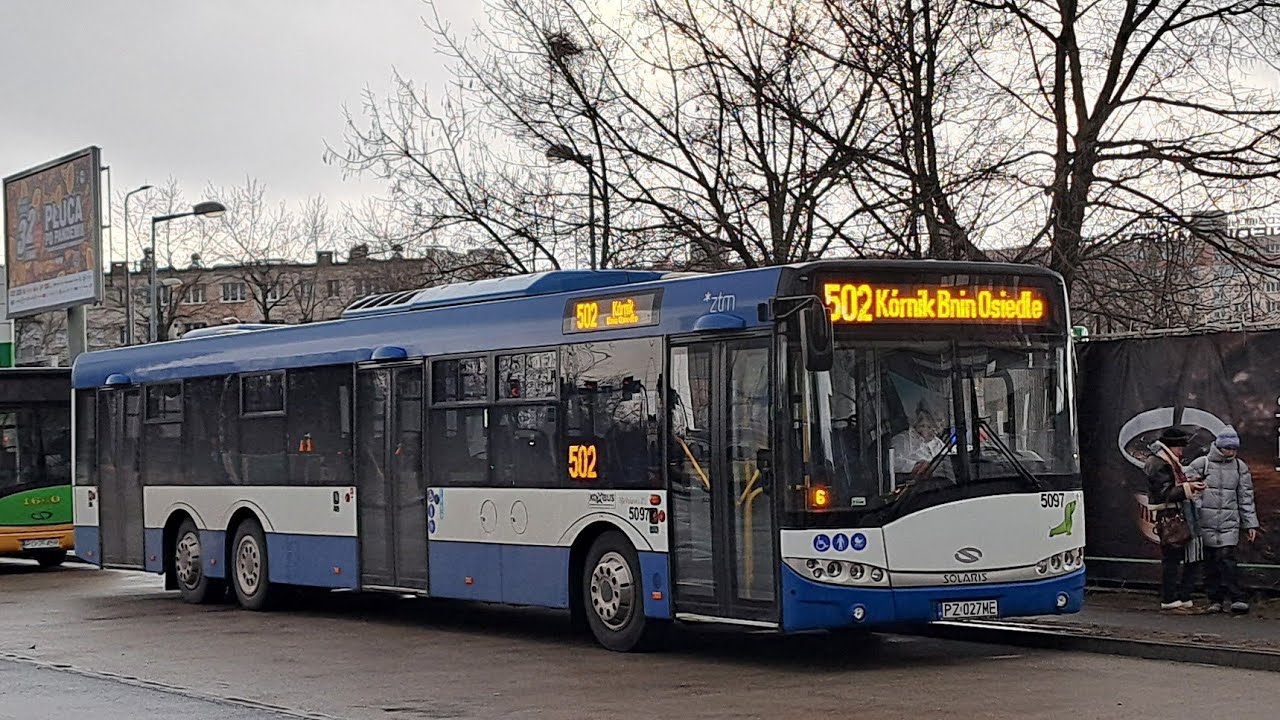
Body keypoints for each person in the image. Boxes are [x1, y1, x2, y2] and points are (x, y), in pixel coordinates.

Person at [1186, 426, 1260, 614]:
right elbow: (1188, 491)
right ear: (1219, 447)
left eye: (1234, 449)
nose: (1232, 452)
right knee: (1210, 562)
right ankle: (1215, 599)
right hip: (1205, 521)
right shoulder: (1201, 464)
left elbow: (1246, 497)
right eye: (1228, 448)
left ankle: (1237, 597)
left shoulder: (1239, 467)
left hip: (1229, 522)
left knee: (1226, 559)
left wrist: (1250, 523)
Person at [1144, 427, 1206, 612]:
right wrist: (1189, 488)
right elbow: (1163, 493)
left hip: (1181, 514)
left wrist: (1189, 485)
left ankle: (1182, 597)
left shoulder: (1164, 461)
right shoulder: (1158, 463)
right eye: (1180, 446)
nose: (1182, 450)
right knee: (1172, 559)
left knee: (1190, 556)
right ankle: (1170, 599)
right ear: (1172, 446)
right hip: (1173, 516)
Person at [892, 405, 945, 475]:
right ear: (918, 425)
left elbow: (946, 462)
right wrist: (916, 466)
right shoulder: (902, 440)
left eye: (936, 428)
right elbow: (892, 462)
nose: (935, 432)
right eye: (929, 427)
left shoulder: (937, 443)